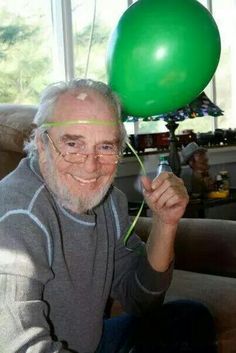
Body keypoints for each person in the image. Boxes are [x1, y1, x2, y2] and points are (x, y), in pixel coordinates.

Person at [0, 79, 216, 353]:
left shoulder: (109, 201)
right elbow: (17, 346)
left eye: (105, 147)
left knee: (189, 320)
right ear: (42, 144)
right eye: (73, 144)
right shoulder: (16, 215)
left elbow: (141, 300)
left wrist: (165, 222)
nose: (91, 166)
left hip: (93, 343)